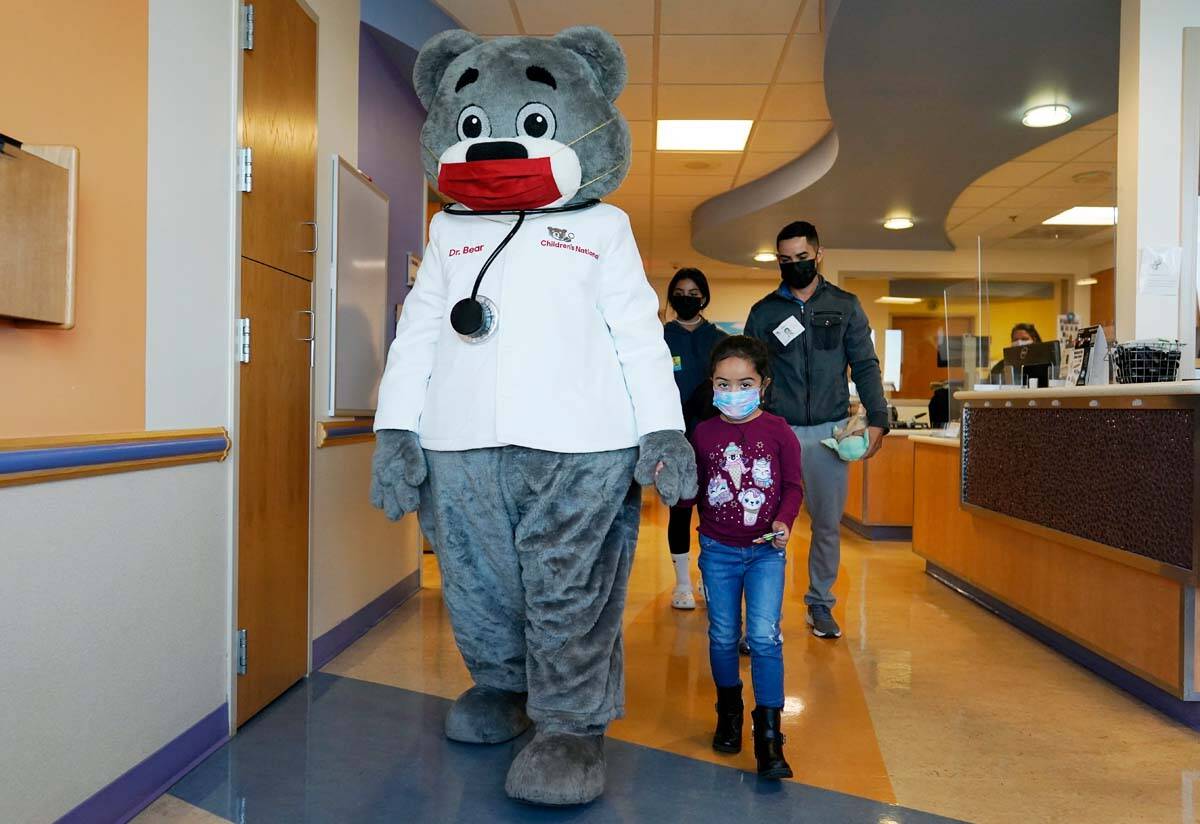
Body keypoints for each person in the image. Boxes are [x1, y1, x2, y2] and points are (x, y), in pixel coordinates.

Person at [744, 221, 889, 640]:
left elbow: (864, 364)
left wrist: (878, 418)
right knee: (768, 526)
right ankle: (761, 614)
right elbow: (751, 372)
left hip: (829, 433)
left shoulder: (845, 306)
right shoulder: (765, 312)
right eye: (786, 261)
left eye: (802, 259)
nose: (795, 267)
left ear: (819, 254)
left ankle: (820, 604)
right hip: (777, 432)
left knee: (826, 524)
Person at [676, 335, 802, 779]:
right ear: (711, 385)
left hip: (767, 552)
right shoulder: (704, 434)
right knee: (723, 635)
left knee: (766, 638)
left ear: (762, 385)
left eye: (744, 382)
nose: (733, 392)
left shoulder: (779, 431)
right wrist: (669, 483)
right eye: (723, 384)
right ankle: (728, 712)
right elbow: (688, 492)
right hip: (717, 551)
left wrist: (785, 521)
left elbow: (792, 487)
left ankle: (769, 735)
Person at [662, 267, 727, 610]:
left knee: (713, 509)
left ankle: (707, 577)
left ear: (704, 297)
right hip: (676, 436)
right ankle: (682, 583)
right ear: (672, 296)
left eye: (693, 293)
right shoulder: (661, 336)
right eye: (680, 292)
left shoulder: (717, 338)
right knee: (681, 509)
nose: (686, 298)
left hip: (714, 434)